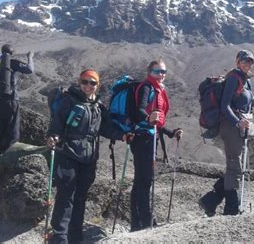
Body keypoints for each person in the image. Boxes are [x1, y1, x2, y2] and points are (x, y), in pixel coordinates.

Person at [46, 69, 129, 243]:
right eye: (85, 82)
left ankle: (75, 236)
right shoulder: (69, 100)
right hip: (68, 154)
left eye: (93, 83)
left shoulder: (98, 106)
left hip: (89, 159)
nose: (88, 86)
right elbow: (57, 123)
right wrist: (53, 136)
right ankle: (60, 237)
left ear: (97, 85)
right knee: (65, 195)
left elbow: (105, 129)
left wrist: (121, 136)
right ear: (79, 82)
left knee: (81, 197)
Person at [199, 50, 254, 216]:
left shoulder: (247, 81)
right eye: (244, 61)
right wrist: (237, 122)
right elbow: (225, 106)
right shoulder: (233, 78)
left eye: (250, 62)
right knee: (235, 166)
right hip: (231, 126)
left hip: (242, 126)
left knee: (236, 166)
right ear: (238, 62)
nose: (247, 64)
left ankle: (210, 201)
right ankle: (231, 208)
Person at [130, 58, 183, 232]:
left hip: (148, 136)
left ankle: (137, 222)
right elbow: (141, 110)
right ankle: (146, 222)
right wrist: (147, 118)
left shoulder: (157, 88)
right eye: (157, 71)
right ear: (149, 73)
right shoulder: (147, 87)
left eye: (163, 72)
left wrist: (170, 133)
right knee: (145, 181)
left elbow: (157, 121)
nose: (161, 75)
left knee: (140, 181)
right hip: (143, 138)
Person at [0, 44, 34, 161]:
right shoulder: (13, 62)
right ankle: (10, 160)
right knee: (13, 131)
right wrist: (30, 57)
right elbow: (30, 69)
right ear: (12, 52)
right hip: (11, 101)